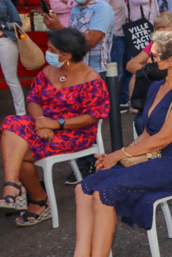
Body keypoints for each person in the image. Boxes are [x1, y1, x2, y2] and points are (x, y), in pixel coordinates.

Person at [48, 31, 172, 257]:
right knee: (83, 188)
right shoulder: (157, 86)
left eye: (153, 57)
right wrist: (114, 155)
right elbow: (146, 133)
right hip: (151, 156)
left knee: (106, 191)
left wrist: (119, 155)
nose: (146, 61)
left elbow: (163, 139)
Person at [0, 28, 109, 226]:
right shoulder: (49, 71)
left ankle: (35, 197)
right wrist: (41, 121)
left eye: (51, 49)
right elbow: (33, 100)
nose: (47, 52)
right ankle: (14, 186)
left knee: (18, 151)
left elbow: (95, 116)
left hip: (74, 133)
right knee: (11, 122)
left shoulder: (90, 78)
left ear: (66, 55)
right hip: (45, 125)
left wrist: (57, 124)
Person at [43, 0, 115, 185]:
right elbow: (69, 40)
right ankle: (80, 162)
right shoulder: (76, 9)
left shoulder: (103, 9)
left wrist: (60, 28)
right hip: (72, 70)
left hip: (94, 71)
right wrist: (56, 30)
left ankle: (89, 165)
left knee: (88, 119)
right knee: (72, 116)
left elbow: (91, 40)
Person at [97, 0, 132, 112]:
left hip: (123, 33)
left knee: (129, 67)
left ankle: (122, 101)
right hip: (114, 36)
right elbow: (100, 12)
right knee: (115, 72)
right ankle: (110, 104)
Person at [0, 0, 25, 116]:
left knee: (11, 79)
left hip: (4, 40)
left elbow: (18, 23)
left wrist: (3, 27)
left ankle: (21, 114)